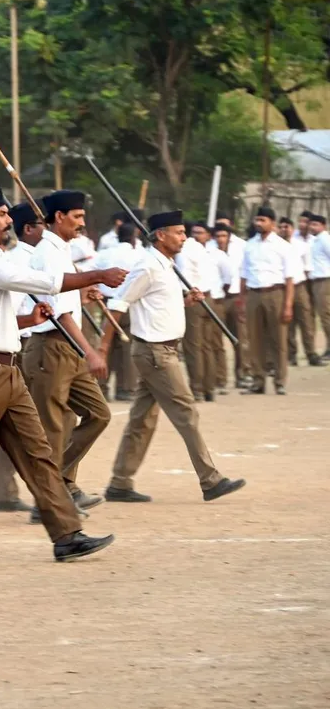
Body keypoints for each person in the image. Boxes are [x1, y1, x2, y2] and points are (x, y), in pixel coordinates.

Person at [0, 186, 120, 563]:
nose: (9, 219)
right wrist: (99, 275)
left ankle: (66, 535)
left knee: (39, 454)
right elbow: (47, 283)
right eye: (1, 214)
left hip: (6, 368)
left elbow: (2, 318)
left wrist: (31, 319)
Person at [99, 211, 248, 503]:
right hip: (155, 352)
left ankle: (120, 482)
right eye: (178, 232)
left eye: (184, 232)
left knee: (141, 420)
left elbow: (157, 305)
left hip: (162, 349)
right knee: (186, 412)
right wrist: (103, 348)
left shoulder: (165, 265)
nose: (184, 237)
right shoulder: (147, 266)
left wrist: (186, 301)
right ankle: (211, 479)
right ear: (161, 235)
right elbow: (118, 304)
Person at [23, 190, 112, 513]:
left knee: (98, 414)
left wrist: (83, 294)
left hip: (67, 347)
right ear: (58, 217)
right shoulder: (48, 252)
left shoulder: (61, 250)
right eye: (76, 217)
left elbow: (64, 300)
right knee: (52, 427)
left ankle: (61, 482)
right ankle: (47, 499)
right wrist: (91, 351)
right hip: (52, 347)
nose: (82, 223)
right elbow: (59, 315)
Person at [0, 202, 45, 513]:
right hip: (17, 347)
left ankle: (5, 492)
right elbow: (7, 314)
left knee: (14, 426)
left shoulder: (27, 258)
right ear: (29, 229)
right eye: (41, 224)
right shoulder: (18, 262)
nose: (46, 230)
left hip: (21, 341)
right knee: (30, 425)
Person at [239, 206, 297, 395]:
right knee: (255, 340)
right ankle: (258, 380)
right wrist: (242, 299)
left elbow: (289, 279)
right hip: (253, 294)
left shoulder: (283, 246)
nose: (258, 223)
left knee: (278, 339)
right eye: (257, 220)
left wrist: (288, 305)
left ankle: (280, 381)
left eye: (263, 220)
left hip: (275, 294)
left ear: (272, 223)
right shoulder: (249, 245)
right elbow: (244, 274)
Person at [92, 223, 143, 400]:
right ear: (134, 237)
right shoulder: (140, 255)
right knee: (127, 348)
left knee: (105, 346)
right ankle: (126, 389)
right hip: (128, 304)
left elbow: (90, 273)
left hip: (106, 303)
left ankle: (102, 388)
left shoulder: (105, 254)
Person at [177, 222, 226, 400]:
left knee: (193, 347)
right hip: (208, 296)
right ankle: (209, 388)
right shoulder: (205, 249)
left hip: (193, 298)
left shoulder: (184, 249)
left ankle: (197, 388)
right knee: (207, 346)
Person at [210, 224, 252, 389]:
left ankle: (243, 374)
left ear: (229, 236)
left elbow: (246, 272)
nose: (221, 239)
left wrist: (244, 297)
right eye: (218, 236)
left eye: (223, 236)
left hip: (236, 297)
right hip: (218, 299)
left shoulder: (242, 247)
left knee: (240, 338)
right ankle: (220, 378)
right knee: (215, 341)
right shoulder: (209, 251)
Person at [278, 218, 320, 366]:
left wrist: (309, 292)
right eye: (281, 227)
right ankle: (291, 355)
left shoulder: (302, 246)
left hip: (300, 286)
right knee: (288, 324)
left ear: (292, 228)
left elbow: (308, 268)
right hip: (282, 288)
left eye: (287, 227)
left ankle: (311, 353)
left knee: (306, 322)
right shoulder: (276, 246)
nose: (284, 229)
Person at [308, 215, 330, 360]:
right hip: (317, 281)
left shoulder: (324, 240)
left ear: (323, 226)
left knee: (326, 316)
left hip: (325, 281)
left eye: (315, 224)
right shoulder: (316, 240)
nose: (312, 227)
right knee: (323, 317)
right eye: (311, 224)